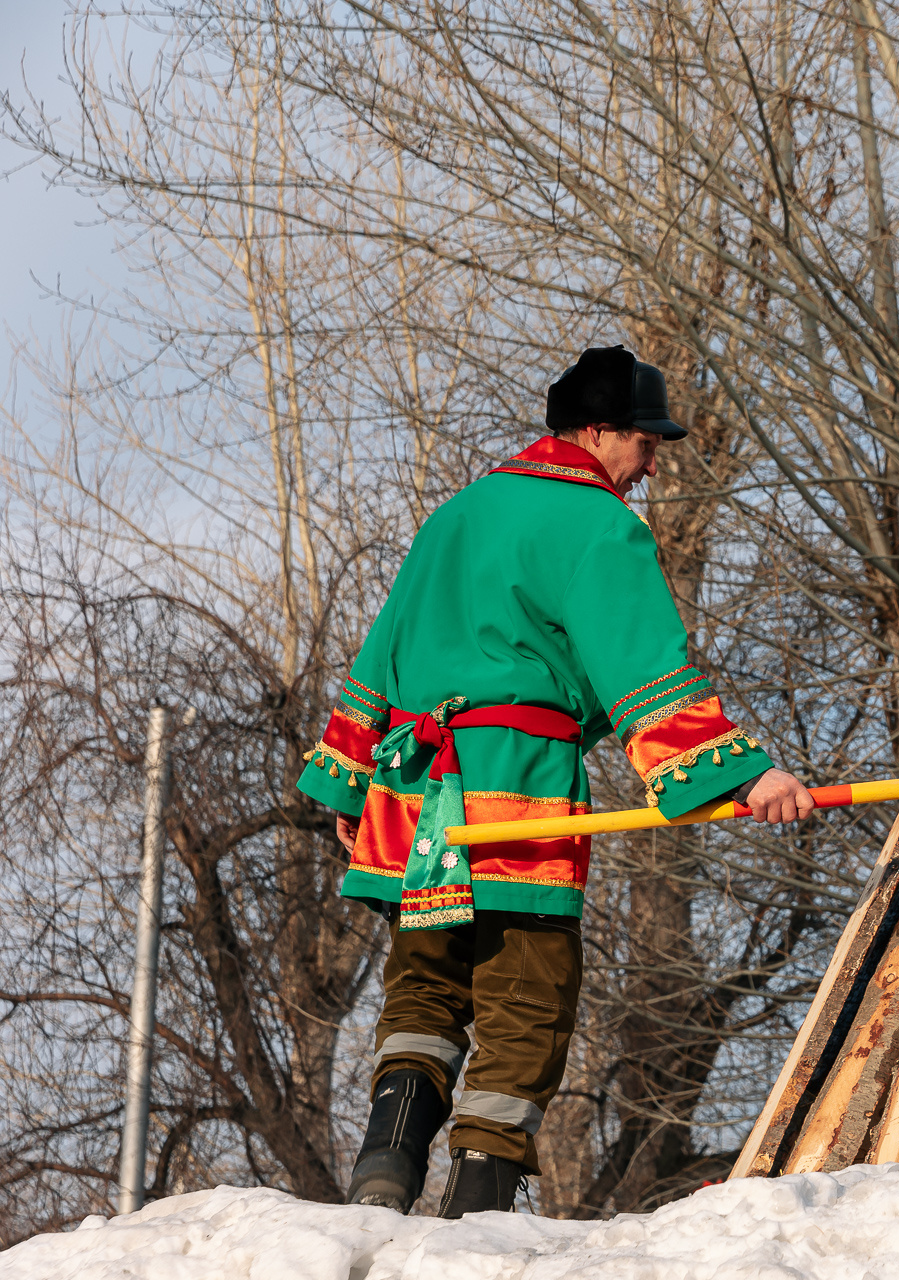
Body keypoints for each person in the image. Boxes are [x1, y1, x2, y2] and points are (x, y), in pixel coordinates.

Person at [298, 345, 814, 1217]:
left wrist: (351, 787)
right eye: (646, 442)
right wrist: (747, 773)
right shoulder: (600, 524)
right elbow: (647, 671)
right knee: (526, 995)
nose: (652, 463)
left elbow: (380, 656)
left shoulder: (455, 515)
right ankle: (479, 1210)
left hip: (412, 794)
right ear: (601, 430)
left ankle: (383, 1170)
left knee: (425, 984)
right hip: (517, 785)